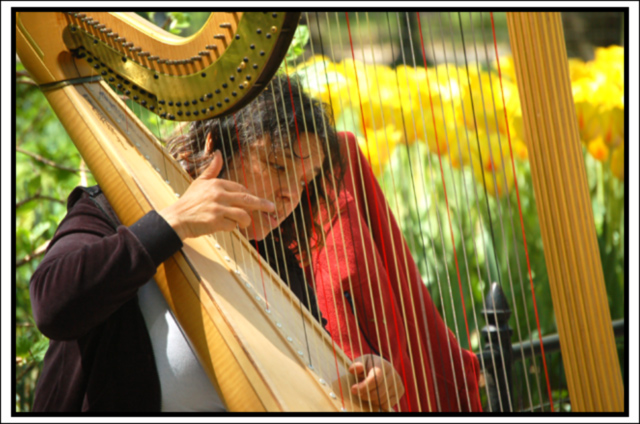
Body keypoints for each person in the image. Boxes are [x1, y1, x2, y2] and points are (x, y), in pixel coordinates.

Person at [29, 76, 405, 412]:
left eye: (304, 180)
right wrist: (172, 224)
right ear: (215, 145)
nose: (290, 192)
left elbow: (314, 379)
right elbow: (52, 306)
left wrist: (363, 376)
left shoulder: (276, 264)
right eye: (277, 166)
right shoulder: (113, 213)